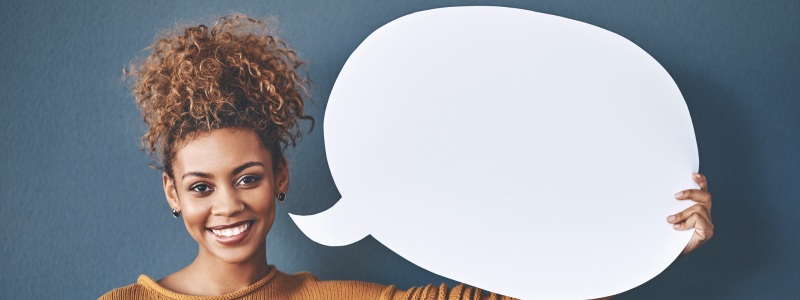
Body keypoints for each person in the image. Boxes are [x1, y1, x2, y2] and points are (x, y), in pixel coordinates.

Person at [99, 15, 714, 300]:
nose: (228, 205)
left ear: (280, 177)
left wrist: (648, 245)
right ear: (172, 192)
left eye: (249, 177)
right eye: (201, 187)